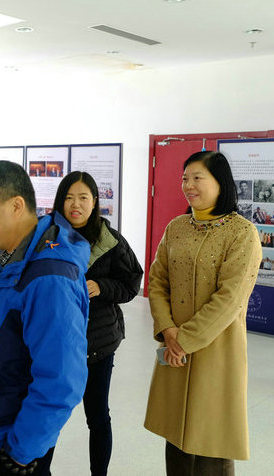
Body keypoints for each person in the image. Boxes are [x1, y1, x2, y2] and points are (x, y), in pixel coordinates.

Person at [0, 161, 90, 476]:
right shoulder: (11, 257)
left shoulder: (48, 278)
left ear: (16, 206)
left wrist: (23, 451)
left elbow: (61, 378)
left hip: (8, 445)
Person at [144, 151, 261, 475]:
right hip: (174, 348)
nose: (188, 185)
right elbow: (157, 280)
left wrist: (183, 340)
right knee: (176, 434)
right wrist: (168, 331)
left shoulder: (242, 232)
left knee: (211, 439)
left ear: (220, 182)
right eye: (185, 178)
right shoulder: (177, 227)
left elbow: (231, 298)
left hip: (217, 350)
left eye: (197, 178)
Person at [53, 171, 143, 476]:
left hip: (97, 343)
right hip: (55, 342)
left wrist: (102, 287)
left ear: (94, 202)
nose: (75, 205)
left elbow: (131, 284)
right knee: (47, 414)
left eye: (83, 198)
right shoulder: (47, 236)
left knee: (97, 416)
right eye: (68, 198)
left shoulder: (111, 241)